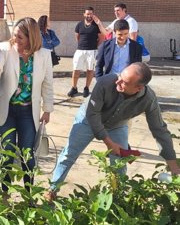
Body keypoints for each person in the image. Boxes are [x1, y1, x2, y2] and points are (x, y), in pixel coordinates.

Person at [45, 62, 180, 201]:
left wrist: (173, 165)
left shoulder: (148, 99)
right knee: (69, 153)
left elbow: (160, 130)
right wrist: (109, 143)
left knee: (119, 164)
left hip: (117, 125)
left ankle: (118, 198)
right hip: (88, 119)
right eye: (120, 76)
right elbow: (93, 114)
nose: (118, 81)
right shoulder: (105, 82)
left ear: (138, 88)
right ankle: (52, 189)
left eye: (125, 82)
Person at [0, 17, 54, 192]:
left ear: (31, 39)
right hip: (7, 110)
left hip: (27, 112)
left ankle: (28, 193)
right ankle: (4, 192)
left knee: (27, 154)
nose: (15, 40)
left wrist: (47, 110)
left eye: (20, 38)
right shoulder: (4, 49)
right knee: (7, 152)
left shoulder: (44, 55)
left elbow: (47, 84)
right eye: (14, 35)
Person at [67, 6, 102, 98]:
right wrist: (82, 45)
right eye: (87, 13)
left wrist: (95, 46)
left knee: (90, 70)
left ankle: (86, 88)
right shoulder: (79, 25)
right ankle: (74, 88)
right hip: (80, 50)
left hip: (92, 51)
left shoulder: (96, 25)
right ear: (84, 14)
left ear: (93, 14)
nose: (89, 15)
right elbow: (77, 37)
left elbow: (101, 38)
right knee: (76, 69)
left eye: (90, 13)